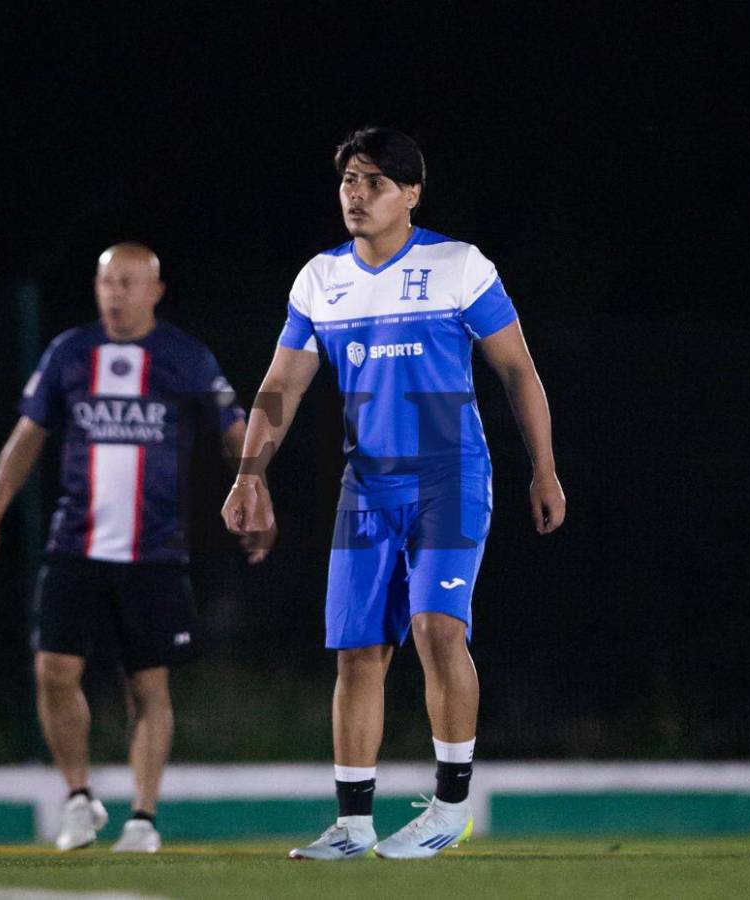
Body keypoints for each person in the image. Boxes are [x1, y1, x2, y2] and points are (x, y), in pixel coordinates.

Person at [221, 127, 565, 860]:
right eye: (349, 179)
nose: (356, 192)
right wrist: (249, 473)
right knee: (357, 651)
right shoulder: (321, 280)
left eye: (374, 181)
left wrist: (545, 469)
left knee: (437, 630)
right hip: (366, 485)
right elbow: (281, 384)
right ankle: (352, 825)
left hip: (451, 474)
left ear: (411, 194)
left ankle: (449, 808)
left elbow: (518, 372)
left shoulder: (457, 266)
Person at [0, 242, 268, 853]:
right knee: (53, 671)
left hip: (153, 552)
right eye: (107, 282)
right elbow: (27, 437)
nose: (116, 294)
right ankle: (78, 800)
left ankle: (143, 819)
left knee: (148, 687)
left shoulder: (184, 356)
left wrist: (255, 495)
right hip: (75, 545)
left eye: (129, 283)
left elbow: (234, 427)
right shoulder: (70, 353)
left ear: (155, 290)